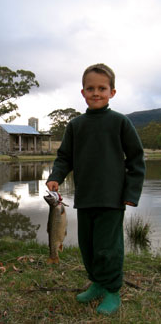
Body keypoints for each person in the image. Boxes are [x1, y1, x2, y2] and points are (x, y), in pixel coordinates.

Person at [46, 63, 145, 315]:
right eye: (91, 88)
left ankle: (112, 291)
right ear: (83, 92)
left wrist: (131, 194)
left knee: (108, 248)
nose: (96, 93)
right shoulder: (75, 125)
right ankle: (98, 283)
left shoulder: (120, 122)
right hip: (85, 198)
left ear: (112, 92)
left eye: (102, 88)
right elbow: (64, 157)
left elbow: (136, 159)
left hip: (112, 200)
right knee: (88, 245)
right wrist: (56, 176)